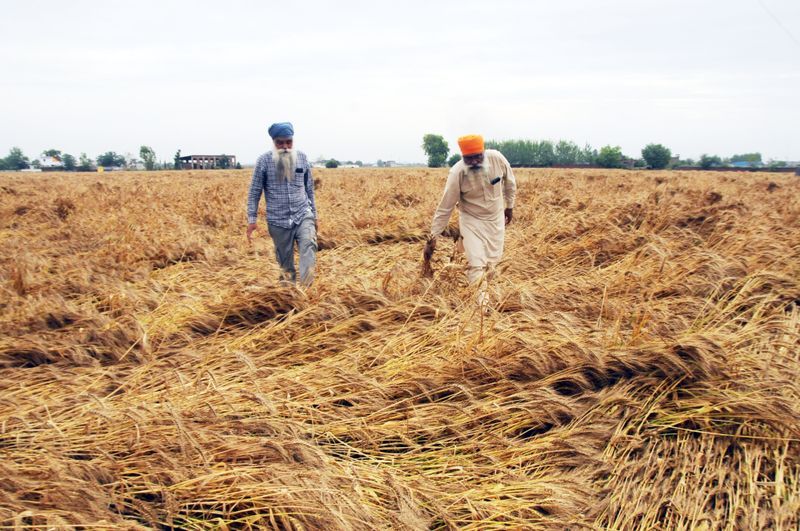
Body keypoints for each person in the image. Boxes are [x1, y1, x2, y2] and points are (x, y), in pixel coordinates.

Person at [425, 134, 516, 307]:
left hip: (496, 219)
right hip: (471, 220)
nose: (474, 162)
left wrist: (510, 206)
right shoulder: (457, 173)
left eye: (477, 157)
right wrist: (433, 236)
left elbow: (510, 182)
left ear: (484, 152)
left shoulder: (497, 159)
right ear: (463, 157)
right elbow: (445, 206)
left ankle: (484, 292)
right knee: (476, 263)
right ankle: (481, 308)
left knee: (492, 263)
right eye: (469, 158)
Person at [247, 122, 318, 285]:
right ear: (273, 142)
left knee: (309, 246)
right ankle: (289, 294)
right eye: (280, 143)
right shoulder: (263, 161)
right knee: (285, 265)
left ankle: (307, 290)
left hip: (302, 214)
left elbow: (309, 189)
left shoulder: (302, 158)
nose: (285, 147)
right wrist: (252, 220)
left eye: (288, 142)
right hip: (278, 221)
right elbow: (254, 192)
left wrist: (314, 215)